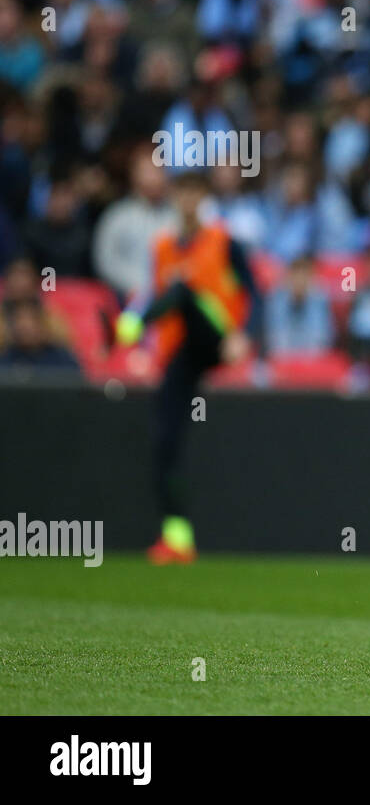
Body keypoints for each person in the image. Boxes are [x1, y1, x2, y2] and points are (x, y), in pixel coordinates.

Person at [114, 169, 261, 564]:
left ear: (204, 198)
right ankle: (177, 536)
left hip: (217, 334)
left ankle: (126, 328)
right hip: (184, 349)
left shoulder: (224, 240)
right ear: (175, 197)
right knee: (165, 437)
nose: (188, 200)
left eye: (195, 192)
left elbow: (253, 291)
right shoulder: (162, 246)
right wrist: (147, 340)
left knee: (184, 290)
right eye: (182, 192)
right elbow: (156, 296)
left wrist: (244, 334)